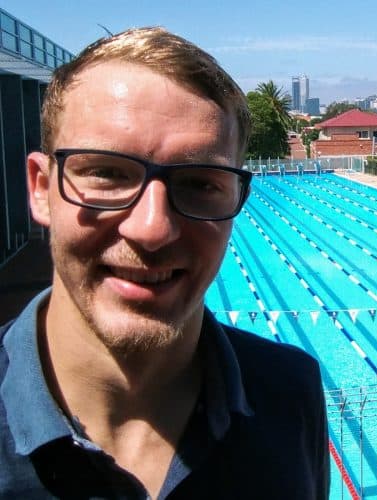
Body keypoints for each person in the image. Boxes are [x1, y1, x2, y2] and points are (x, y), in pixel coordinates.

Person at [0, 27, 330, 499]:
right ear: (40, 189)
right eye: (107, 173)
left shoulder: (289, 393)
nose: (153, 228)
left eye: (200, 183)